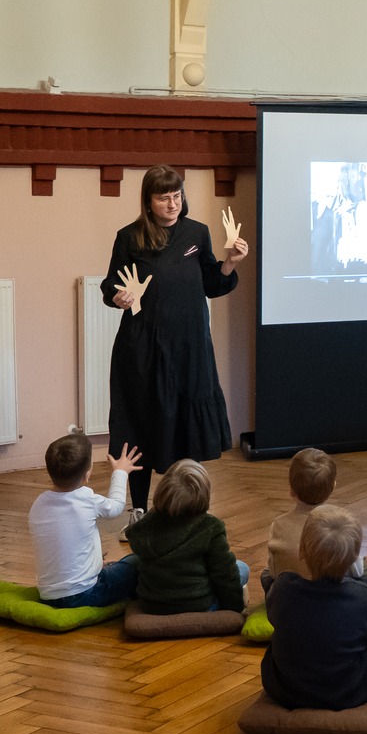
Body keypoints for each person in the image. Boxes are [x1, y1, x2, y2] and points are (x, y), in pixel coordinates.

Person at [101, 165, 249, 517]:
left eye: (177, 196)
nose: (172, 204)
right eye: (164, 198)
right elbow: (110, 286)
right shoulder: (129, 236)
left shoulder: (197, 232)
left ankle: (185, 509)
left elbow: (212, 284)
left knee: (185, 424)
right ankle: (138, 511)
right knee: (141, 423)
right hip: (143, 349)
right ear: (148, 202)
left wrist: (230, 263)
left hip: (190, 347)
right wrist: (118, 296)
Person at [260, 506, 367, 712]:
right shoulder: (365, 598)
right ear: (355, 557)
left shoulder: (282, 589)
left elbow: (274, 618)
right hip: (351, 693)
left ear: (301, 550)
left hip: (285, 691)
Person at [29, 431, 142, 608]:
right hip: (86, 594)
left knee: (116, 565)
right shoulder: (86, 499)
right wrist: (120, 472)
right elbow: (117, 506)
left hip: (48, 595)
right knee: (138, 561)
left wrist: (95, 562)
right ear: (87, 475)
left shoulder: (38, 504)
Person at [125, 459, 248, 615]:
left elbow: (133, 534)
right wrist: (234, 609)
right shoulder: (210, 526)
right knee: (242, 568)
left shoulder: (147, 524)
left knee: (133, 563)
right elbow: (225, 573)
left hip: (152, 605)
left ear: (162, 491)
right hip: (198, 605)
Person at [264, 448, 365, 592]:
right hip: (332, 591)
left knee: (265, 575)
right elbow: (357, 571)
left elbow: (274, 573)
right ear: (333, 487)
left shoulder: (278, 524)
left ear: (291, 490)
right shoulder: (342, 524)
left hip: (291, 591)